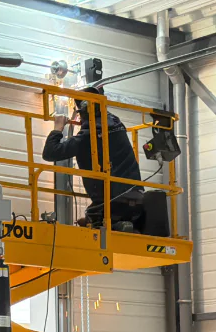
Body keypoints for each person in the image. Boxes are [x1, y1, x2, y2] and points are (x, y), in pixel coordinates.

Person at [41, 86, 143, 230]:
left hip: (111, 202)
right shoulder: (117, 125)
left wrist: (58, 127)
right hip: (136, 197)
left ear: (84, 110)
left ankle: (108, 222)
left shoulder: (89, 136)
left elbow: (50, 153)